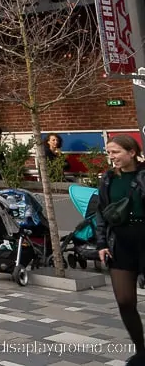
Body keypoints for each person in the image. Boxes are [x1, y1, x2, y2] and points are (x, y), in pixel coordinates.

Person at [97, 134, 145, 364]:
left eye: (115, 152)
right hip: (121, 244)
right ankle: (142, 351)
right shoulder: (108, 179)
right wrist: (102, 243)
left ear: (132, 152)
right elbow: (101, 213)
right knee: (125, 301)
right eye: (109, 152)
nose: (111, 157)